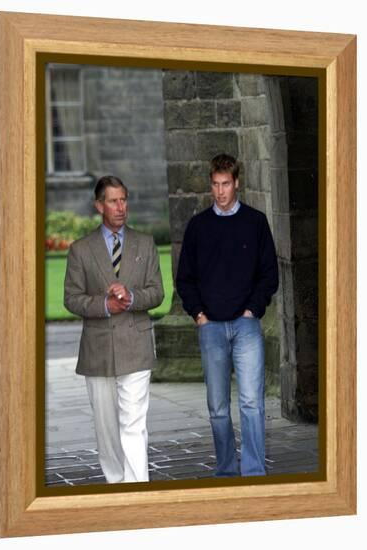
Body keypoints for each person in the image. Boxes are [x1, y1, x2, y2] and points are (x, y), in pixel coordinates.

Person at [176, 153, 279, 477]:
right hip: (211, 328)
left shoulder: (255, 222)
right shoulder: (198, 227)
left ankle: (253, 472)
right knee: (218, 408)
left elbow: (269, 274)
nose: (220, 191)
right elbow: (185, 279)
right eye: (215, 185)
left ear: (236, 183)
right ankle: (225, 470)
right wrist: (200, 317)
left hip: (246, 325)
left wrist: (252, 311)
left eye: (226, 184)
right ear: (211, 185)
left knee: (251, 403)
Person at [64, 175, 164, 483]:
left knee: (134, 424)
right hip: (98, 351)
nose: (121, 207)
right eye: (113, 201)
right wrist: (104, 305)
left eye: (124, 200)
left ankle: (136, 493)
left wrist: (131, 297)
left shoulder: (145, 244)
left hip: (136, 346)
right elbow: (71, 298)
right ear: (99, 206)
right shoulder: (81, 250)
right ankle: (115, 488)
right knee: (107, 429)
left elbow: (157, 292)